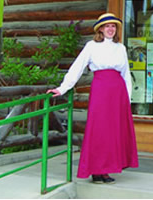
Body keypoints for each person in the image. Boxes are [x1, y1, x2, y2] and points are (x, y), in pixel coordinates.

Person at [47, 12, 139, 184]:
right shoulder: (91, 46)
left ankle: (107, 169)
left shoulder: (121, 48)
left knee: (113, 131)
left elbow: (126, 74)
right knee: (99, 129)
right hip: (101, 90)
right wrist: (63, 88)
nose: (110, 29)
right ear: (101, 29)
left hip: (118, 92)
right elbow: (77, 67)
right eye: (107, 26)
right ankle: (96, 170)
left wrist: (127, 97)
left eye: (113, 26)